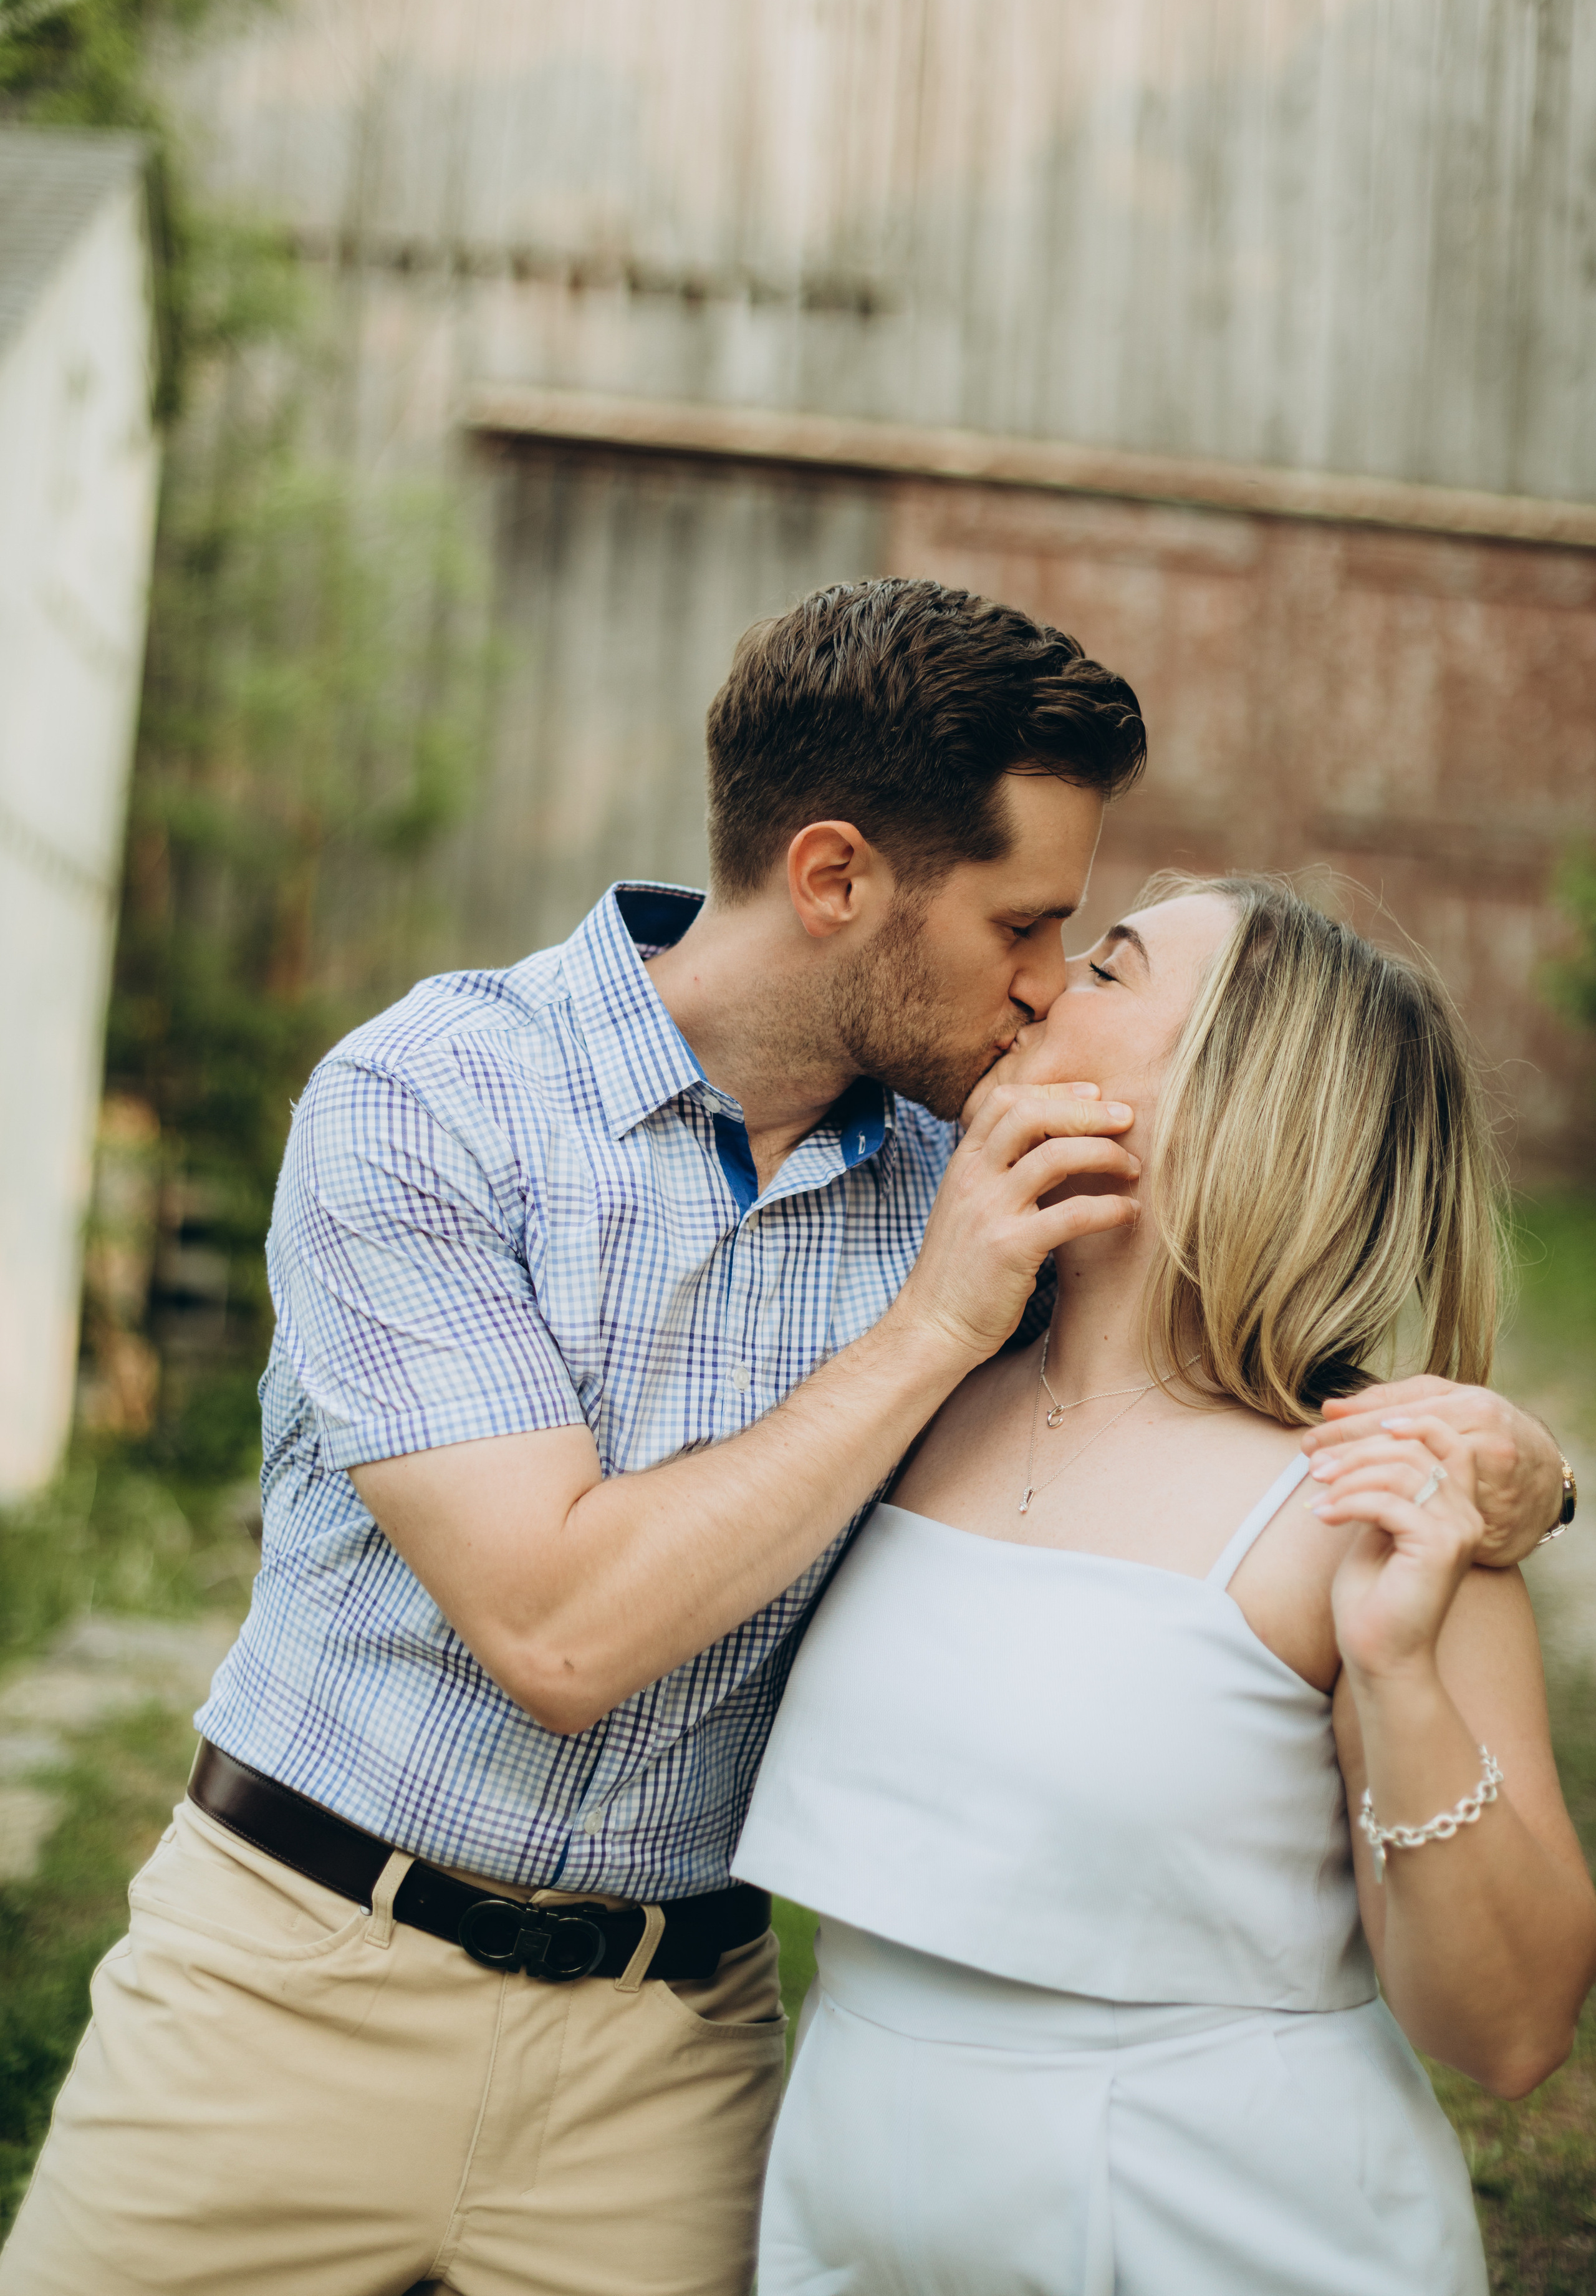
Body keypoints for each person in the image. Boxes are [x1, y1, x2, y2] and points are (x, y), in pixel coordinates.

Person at [0, 588, 1565, 2296]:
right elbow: (556, 1629)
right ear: (834, 881)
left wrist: (1529, 1484)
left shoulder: (969, 1180)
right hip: (288, 1978)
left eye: (1087, 947)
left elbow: (1208, 1366)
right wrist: (931, 1328)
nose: (1044, 993)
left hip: (676, 2052)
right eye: (1033, 929)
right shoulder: (430, 1103)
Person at [735, 875, 1596, 2296]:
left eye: (1109, 971)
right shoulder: (906, 1388)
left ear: (1231, 1096)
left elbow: (1506, 2034)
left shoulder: (1362, 1505)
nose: (1039, 980)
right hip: (850, 2203)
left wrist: (1394, 1673)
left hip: (1211, 2225)